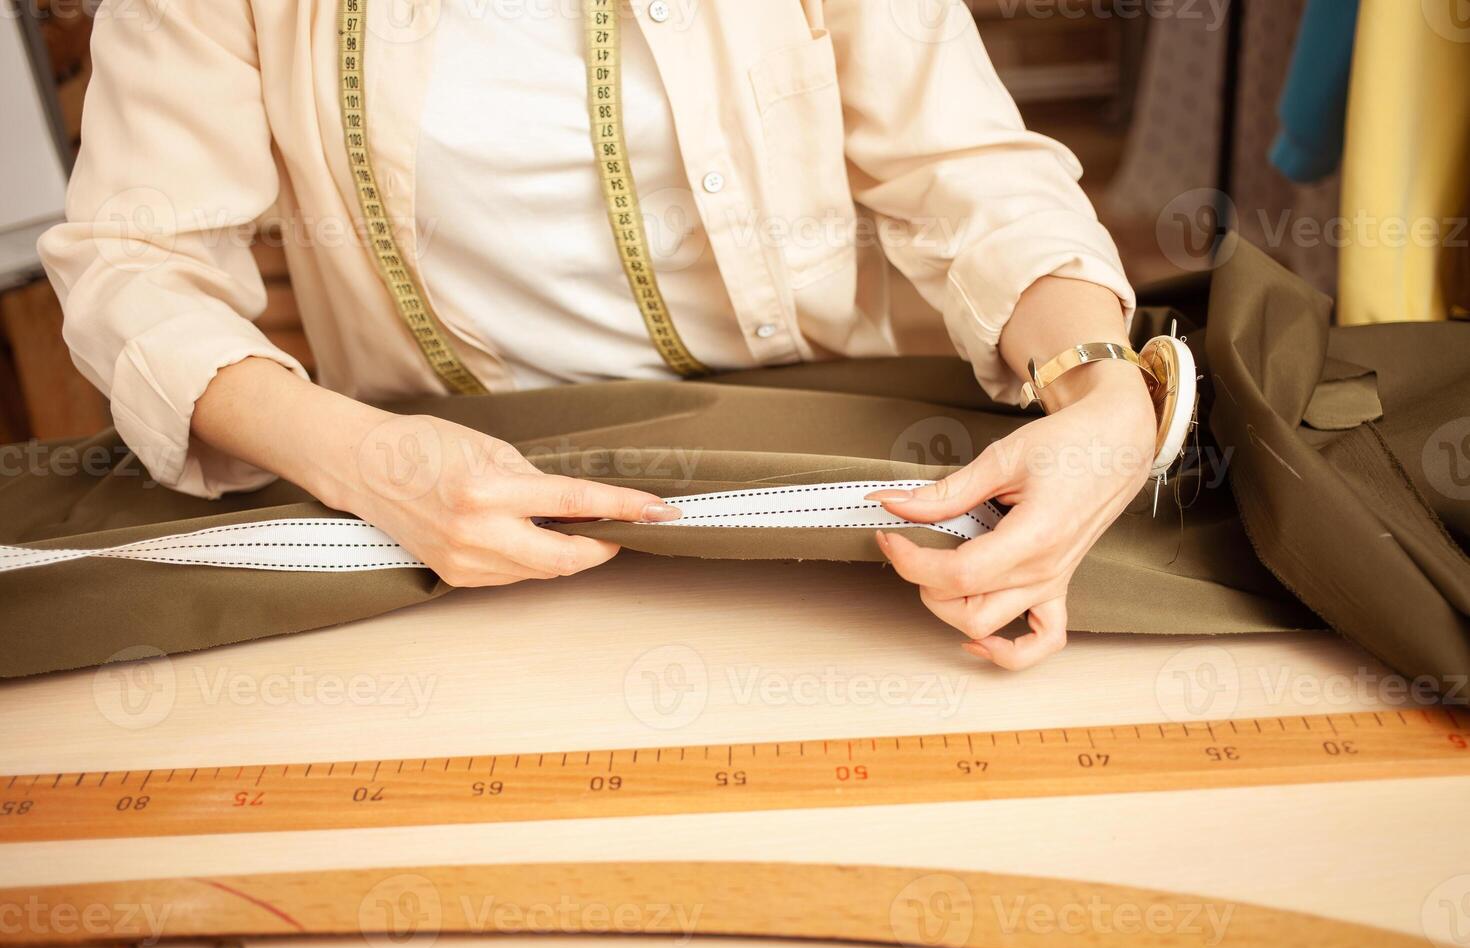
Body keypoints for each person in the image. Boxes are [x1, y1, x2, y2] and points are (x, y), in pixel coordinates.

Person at [40, 0, 1156, 670]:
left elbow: (967, 175)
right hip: (431, 514)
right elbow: (134, 260)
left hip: (799, 469)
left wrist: (1101, 391)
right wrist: (367, 456)